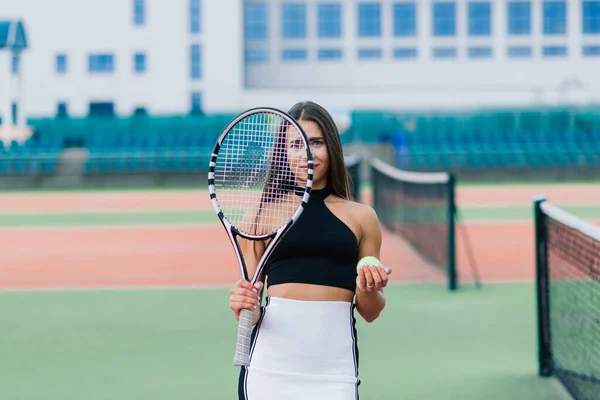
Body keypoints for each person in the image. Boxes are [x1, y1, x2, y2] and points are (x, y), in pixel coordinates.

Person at [229, 101, 391, 400]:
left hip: (335, 373)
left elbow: (371, 311)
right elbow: (248, 313)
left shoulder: (362, 217)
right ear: (282, 152)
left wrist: (369, 288)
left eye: (315, 142)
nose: (306, 153)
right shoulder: (260, 216)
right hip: (270, 371)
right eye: (295, 144)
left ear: (331, 147)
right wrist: (241, 304)